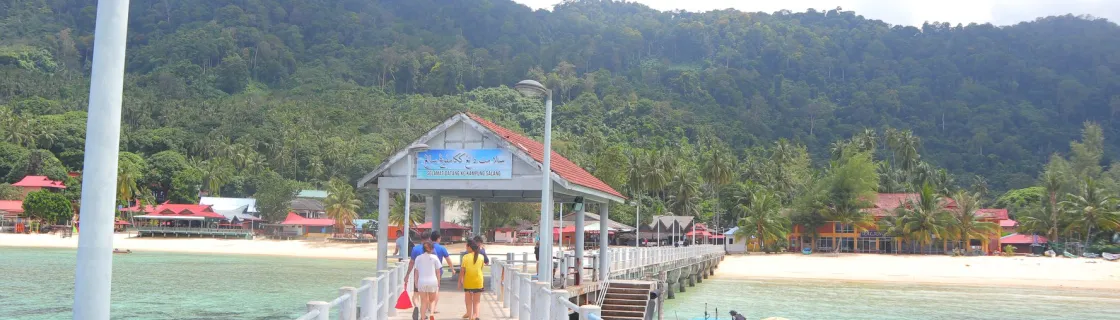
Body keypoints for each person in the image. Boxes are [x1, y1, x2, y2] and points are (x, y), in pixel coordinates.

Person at [408, 231, 454, 312]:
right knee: (433, 292)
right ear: (429, 238)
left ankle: (418, 308)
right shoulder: (435, 249)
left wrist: (407, 275)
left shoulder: (415, 249)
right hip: (433, 274)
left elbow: (411, 262)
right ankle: (431, 308)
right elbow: (444, 261)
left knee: (417, 294)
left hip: (419, 275)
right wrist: (451, 269)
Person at [413, 242, 442, 320]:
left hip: (421, 281)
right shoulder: (435, 258)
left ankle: (422, 317)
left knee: (423, 301)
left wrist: (416, 283)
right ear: (432, 249)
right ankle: (431, 314)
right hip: (432, 281)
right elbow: (438, 271)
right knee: (432, 300)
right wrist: (438, 282)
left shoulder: (418, 258)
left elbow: (416, 272)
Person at [459, 240, 486, 320]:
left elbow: (462, 271)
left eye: (466, 247)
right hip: (478, 281)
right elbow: (481, 268)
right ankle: (475, 316)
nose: (466, 248)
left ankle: (470, 316)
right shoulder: (481, 257)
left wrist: (460, 281)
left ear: (470, 247)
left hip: (468, 282)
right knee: (477, 301)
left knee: (468, 301)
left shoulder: (465, 257)